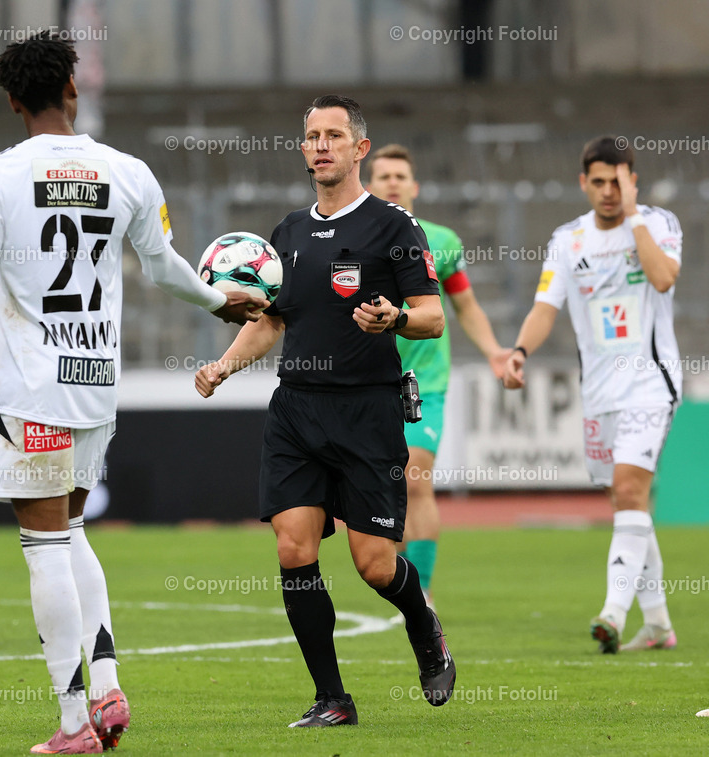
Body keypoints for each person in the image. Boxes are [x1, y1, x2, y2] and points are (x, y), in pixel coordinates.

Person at [0, 32, 263, 755]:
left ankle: (73, 728)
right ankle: (106, 684)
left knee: (42, 547)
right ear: (72, 88)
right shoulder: (127, 171)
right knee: (70, 531)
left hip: (31, 389)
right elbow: (165, 269)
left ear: (11, 101)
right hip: (96, 382)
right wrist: (220, 300)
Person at [195, 95, 456, 727]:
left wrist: (395, 316)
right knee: (292, 549)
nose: (320, 145)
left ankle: (423, 623)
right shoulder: (286, 235)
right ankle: (332, 698)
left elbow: (433, 315)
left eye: (333, 136)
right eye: (312, 136)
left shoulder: (395, 227)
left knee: (373, 564)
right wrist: (225, 365)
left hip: (367, 413)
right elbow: (272, 321)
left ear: (359, 148)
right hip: (296, 412)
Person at [503, 136, 681, 654]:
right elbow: (544, 308)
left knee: (629, 491)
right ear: (584, 182)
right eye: (599, 181)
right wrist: (519, 351)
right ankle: (659, 625)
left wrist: (634, 219)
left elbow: (664, 278)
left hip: (651, 383)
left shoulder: (659, 224)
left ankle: (612, 614)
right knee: (627, 502)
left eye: (618, 181)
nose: (608, 191)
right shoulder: (568, 240)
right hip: (599, 392)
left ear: (633, 180)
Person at [366, 145, 511, 618]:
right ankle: (402, 579)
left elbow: (465, 306)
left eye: (400, 175)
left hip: (421, 382)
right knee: (378, 489)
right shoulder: (356, 238)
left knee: (415, 478)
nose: (392, 182)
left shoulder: (442, 240)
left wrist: (493, 352)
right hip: (365, 384)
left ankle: (421, 591)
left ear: (414, 186)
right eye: (383, 175)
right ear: (368, 183)